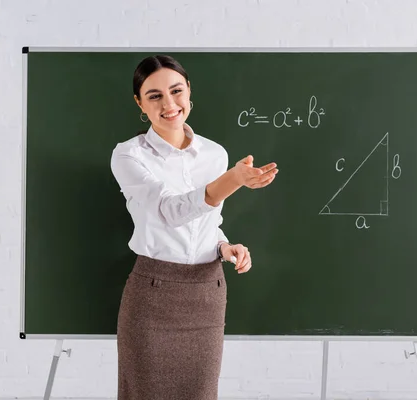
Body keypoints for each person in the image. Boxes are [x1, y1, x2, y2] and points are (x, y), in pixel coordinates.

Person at [110, 54, 278, 400]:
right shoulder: (129, 156)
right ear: (139, 103)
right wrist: (232, 180)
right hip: (153, 296)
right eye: (154, 95)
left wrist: (223, 246)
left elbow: (206, 221)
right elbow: (169, 212)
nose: (169, 104)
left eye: (176, 91)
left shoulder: (214, 154)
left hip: (206, 294)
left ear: (189, 93)